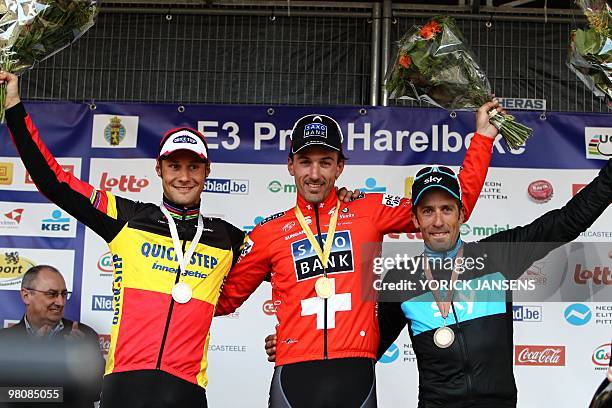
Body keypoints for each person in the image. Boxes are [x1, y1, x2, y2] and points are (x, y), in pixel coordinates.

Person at [0, 71, 358, 408]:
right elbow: (53, 181)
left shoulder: (228, 239)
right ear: (159, 169)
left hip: (186, 390)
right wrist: (14, 106)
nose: (184, 177)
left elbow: (301, 271)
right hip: (123, 385)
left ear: (207, 171)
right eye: (174, 166)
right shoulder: (126, 218)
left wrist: (336, 207)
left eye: (193, 167)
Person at [214, 103, 501, 407]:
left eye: (325, 162)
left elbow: (458, 201)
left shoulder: (368, 211)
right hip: (292, 374)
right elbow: (222, 301)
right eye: (305, 162)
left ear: (340, 166)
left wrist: (483, 137)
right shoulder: (268, 233)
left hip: (355, 373)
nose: (314, 173)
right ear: (290, 165)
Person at [375, 159, 612, 408]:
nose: (438, 221)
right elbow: (367, 351)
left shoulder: (497, 256)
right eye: (427, 211)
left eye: (446, 209)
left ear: (462, 213)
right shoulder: (401, 279)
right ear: (414, 219)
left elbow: (566, 221)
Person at [0, 265, 104, 408]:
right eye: (51, 294)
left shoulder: (85, 336)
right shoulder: (4, 342)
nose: (60, 302)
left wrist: (79, 363)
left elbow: (97, 393)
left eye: (64, 294)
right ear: (26, 295)